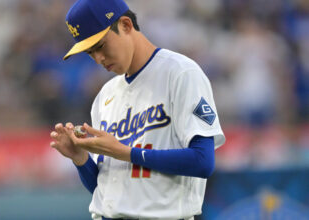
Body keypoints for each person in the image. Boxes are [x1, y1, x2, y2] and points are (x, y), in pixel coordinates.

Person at [50, 0, 225, 219]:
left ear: (125, 25)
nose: (98, 59)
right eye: (89, 53)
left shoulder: (180, 73)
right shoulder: (106, 95)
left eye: (100, 46)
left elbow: (203, 162)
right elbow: (106, 192)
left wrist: (125, 152)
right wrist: (80, 159)